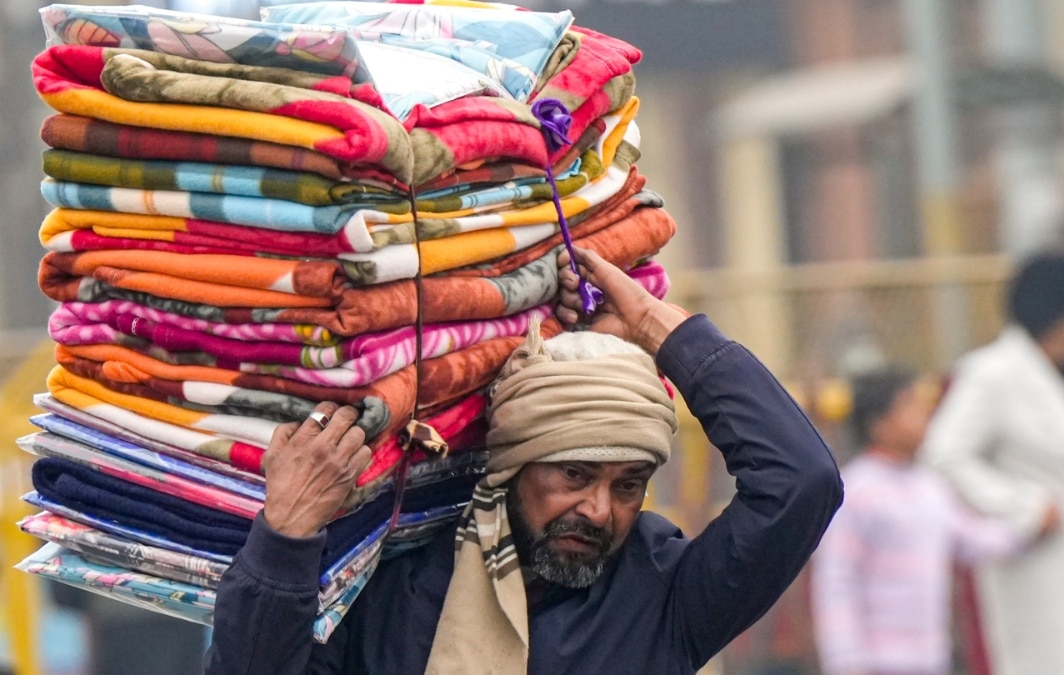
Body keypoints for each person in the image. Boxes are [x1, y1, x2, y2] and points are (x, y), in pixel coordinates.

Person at [203, 247, 844, 674]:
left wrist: (658, 328)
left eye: (629, 486)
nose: (599, 510)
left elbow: (802, 481)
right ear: (513, 464)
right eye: (574, 475)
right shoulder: (393, 577)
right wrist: (287, 534)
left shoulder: (664, 595)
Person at [921, 251, 1064, 675]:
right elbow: (943, 455)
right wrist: (1022, 505)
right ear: (1057, 310)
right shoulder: (991, 374)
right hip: (1037, 561)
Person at [811, 368, 1028, 675]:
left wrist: (1028, 527)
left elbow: (972, 539)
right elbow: (837, 580)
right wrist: (845, 662)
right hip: (876, 664)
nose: (924, 413)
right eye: (909, 404)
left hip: (930, 660)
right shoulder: (855, 491)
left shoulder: (931, 487)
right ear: (879, 424)